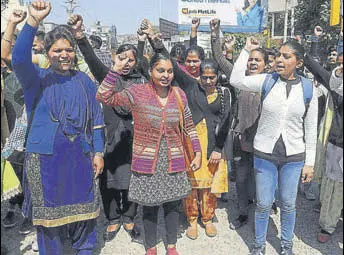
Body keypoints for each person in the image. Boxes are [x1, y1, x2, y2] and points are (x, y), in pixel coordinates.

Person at [11, 2, 105, 254]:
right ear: (47, 52)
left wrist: (98, 152)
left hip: (80, 158)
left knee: (85, 217)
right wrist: (33, 21)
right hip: (45, 161)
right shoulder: (36, 79)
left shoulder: (84, 81)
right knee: (49, 224)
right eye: (57, 50)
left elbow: (96, 119)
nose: (64, 54)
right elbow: (18, 59)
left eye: (68, 50)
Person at [97, 51, 202, 255]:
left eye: (170, 71)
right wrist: (115, 71)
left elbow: (188, 125)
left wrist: (196, 151)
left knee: (172, 205)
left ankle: (171, 245)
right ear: (151, 71)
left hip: (174, 159)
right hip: (147, 161)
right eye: (160, 70)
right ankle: (151, 246)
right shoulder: (137, 93)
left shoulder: (179, 95)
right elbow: (103, 96)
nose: (166, 75)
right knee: (150, 207)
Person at [230, 38, 318, 255]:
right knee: (263, 204)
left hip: (294, 157)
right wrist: (246, 50)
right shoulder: (266, 80)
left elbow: (311, 129)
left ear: (298, 63)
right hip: (264, 154)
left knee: (288, 204)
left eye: (286, 56)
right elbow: (235, 79)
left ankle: (286, 245)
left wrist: (310, 163)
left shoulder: (309, 89)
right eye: (278, 55)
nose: (279, 59)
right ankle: (259, 245)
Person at [68, 14, 145, 242]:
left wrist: (142, 41)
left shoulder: (143, 81)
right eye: (122, 59)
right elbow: (91, 59)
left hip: (135, 140)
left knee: (134, 180)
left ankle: (129, 217)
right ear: (114, 60)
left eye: (131, 59)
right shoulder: (108, 78)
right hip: (109, 139)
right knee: (108, 181)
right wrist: (80, 36)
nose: (127, 63)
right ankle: (112, 219)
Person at [230, 47, 268, 230]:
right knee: (241, 179)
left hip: (263, 146)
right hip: (242, 143)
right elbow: (222, 62)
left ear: (266, 65)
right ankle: (243, 212)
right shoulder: (240, 83)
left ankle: (262, 218)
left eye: (258, 60)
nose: (253, 63)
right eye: (250, 59)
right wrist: (243, 49)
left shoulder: (269, 85)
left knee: (261, 182)